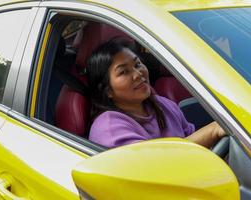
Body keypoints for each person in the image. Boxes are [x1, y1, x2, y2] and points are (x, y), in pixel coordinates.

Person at [87, 38, 225, 148]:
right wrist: (213, 130)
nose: (138, 74)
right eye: (124, 72)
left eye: (137, 64)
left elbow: (198, 145)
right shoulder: (108, 128)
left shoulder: (163, 105)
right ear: (108, 90)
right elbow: (156, 165)